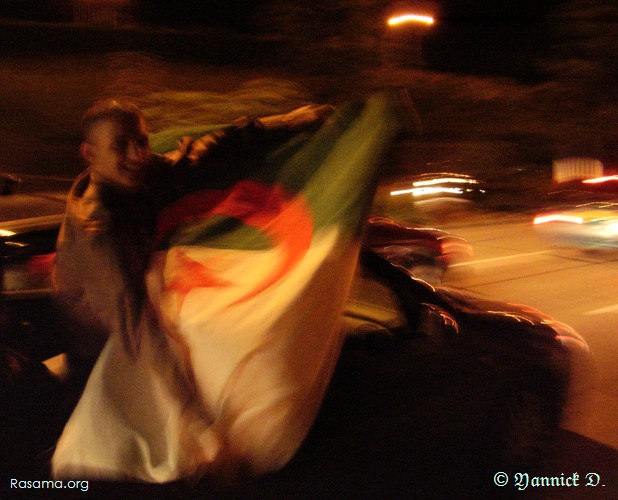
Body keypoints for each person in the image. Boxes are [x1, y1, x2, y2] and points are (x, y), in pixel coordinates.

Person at [54, 98, 333, 381]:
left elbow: (203, 156)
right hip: (99, 368)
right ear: (90, 154)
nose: (137, 155)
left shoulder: (132, 177)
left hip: (135, 336)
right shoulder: (98, 230)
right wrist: (190, 414)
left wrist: (288, 122)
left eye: (142, 141)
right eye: (120, 145)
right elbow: (135, 329)